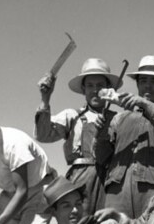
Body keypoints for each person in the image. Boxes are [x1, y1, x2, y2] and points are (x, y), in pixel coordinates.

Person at [96, 55, 154, 218]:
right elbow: (101, 158)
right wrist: (100, 134)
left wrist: (144, 103)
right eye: (143, 80)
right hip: (117, 195)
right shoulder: (119, 118)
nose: (147, 85)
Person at [35, 58, 121, 214]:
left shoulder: (118, 119)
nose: (95, 90)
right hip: (80, 182)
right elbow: (43, 135)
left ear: (109, 88)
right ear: (83, 89)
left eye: (100, 85)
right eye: (90, 85)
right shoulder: (72, 116)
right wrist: (45, 98)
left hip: (111, 181)